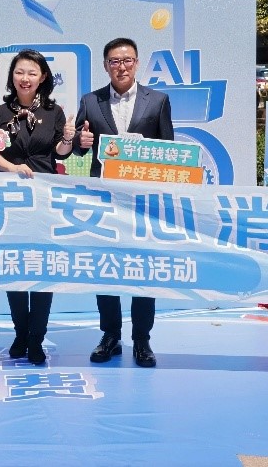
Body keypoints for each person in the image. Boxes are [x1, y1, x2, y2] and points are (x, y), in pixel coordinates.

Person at [75, 37, 174, 368]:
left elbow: (169, 152)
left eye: (127, 60)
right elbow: (77, 150)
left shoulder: (158, 101)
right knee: (106, 268)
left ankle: (142, 339)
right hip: (105, 199)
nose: (121, 66)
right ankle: (110, 335)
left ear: (137, 63)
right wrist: (80, 141)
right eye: (114, 61)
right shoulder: (90, 101)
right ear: (105, 66)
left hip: (143, 200)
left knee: (144, 269)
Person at [0, 50, 75, 365]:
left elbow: (60, 153)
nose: (25, 78)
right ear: (12, 76)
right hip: (9, 199)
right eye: (20, 72)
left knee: (41, 269)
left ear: (43, 77)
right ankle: (20, 333)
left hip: (44, 198)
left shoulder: (54, 111)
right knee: (15, 269)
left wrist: (67, 138)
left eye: (32, 73)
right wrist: (13, 169)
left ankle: (36, 338)